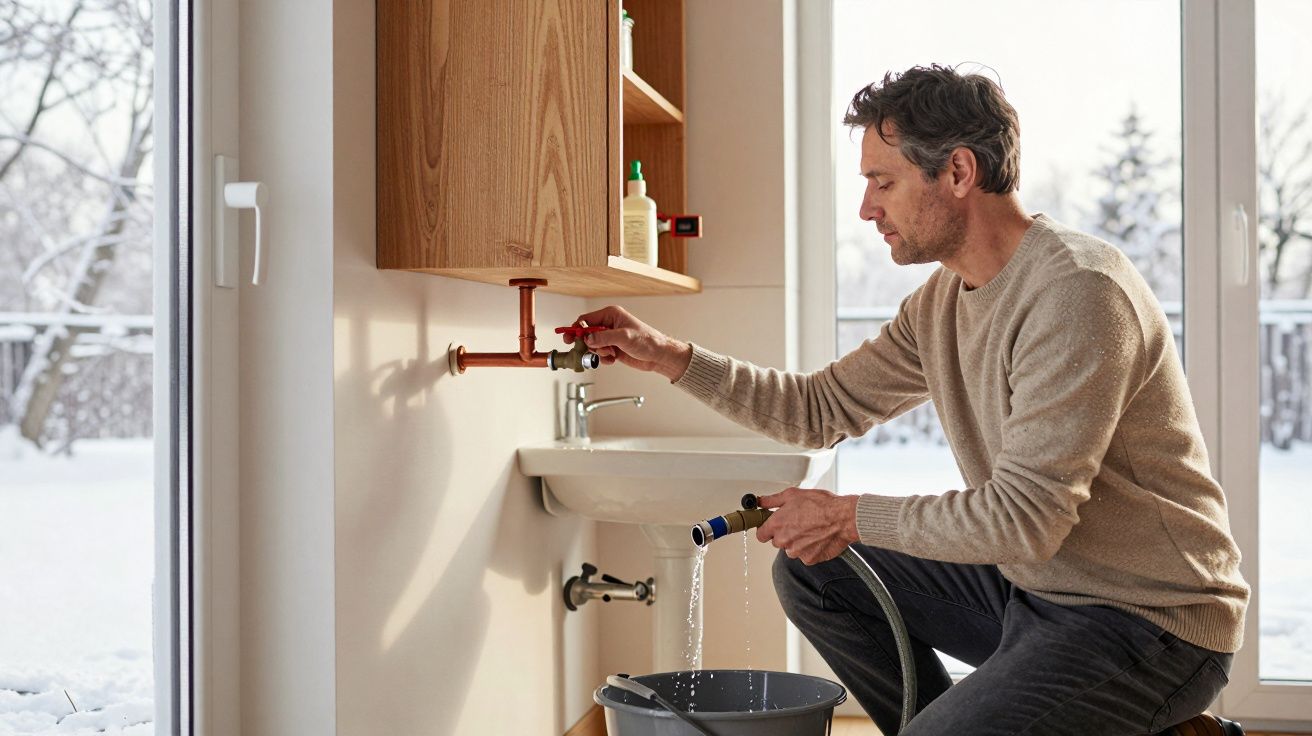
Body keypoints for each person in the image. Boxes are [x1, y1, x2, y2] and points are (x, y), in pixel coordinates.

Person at [567, 65, 1249, 736]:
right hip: (1036, 591)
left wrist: (849, 516)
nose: (867, 208)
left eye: (882, 182)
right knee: (817, 576)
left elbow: (1023, 521)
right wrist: (670, 357)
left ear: (956, 173)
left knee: (845, 546)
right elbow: (819, 408)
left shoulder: (1077, 293)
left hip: (1149, 619)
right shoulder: (943, 302)